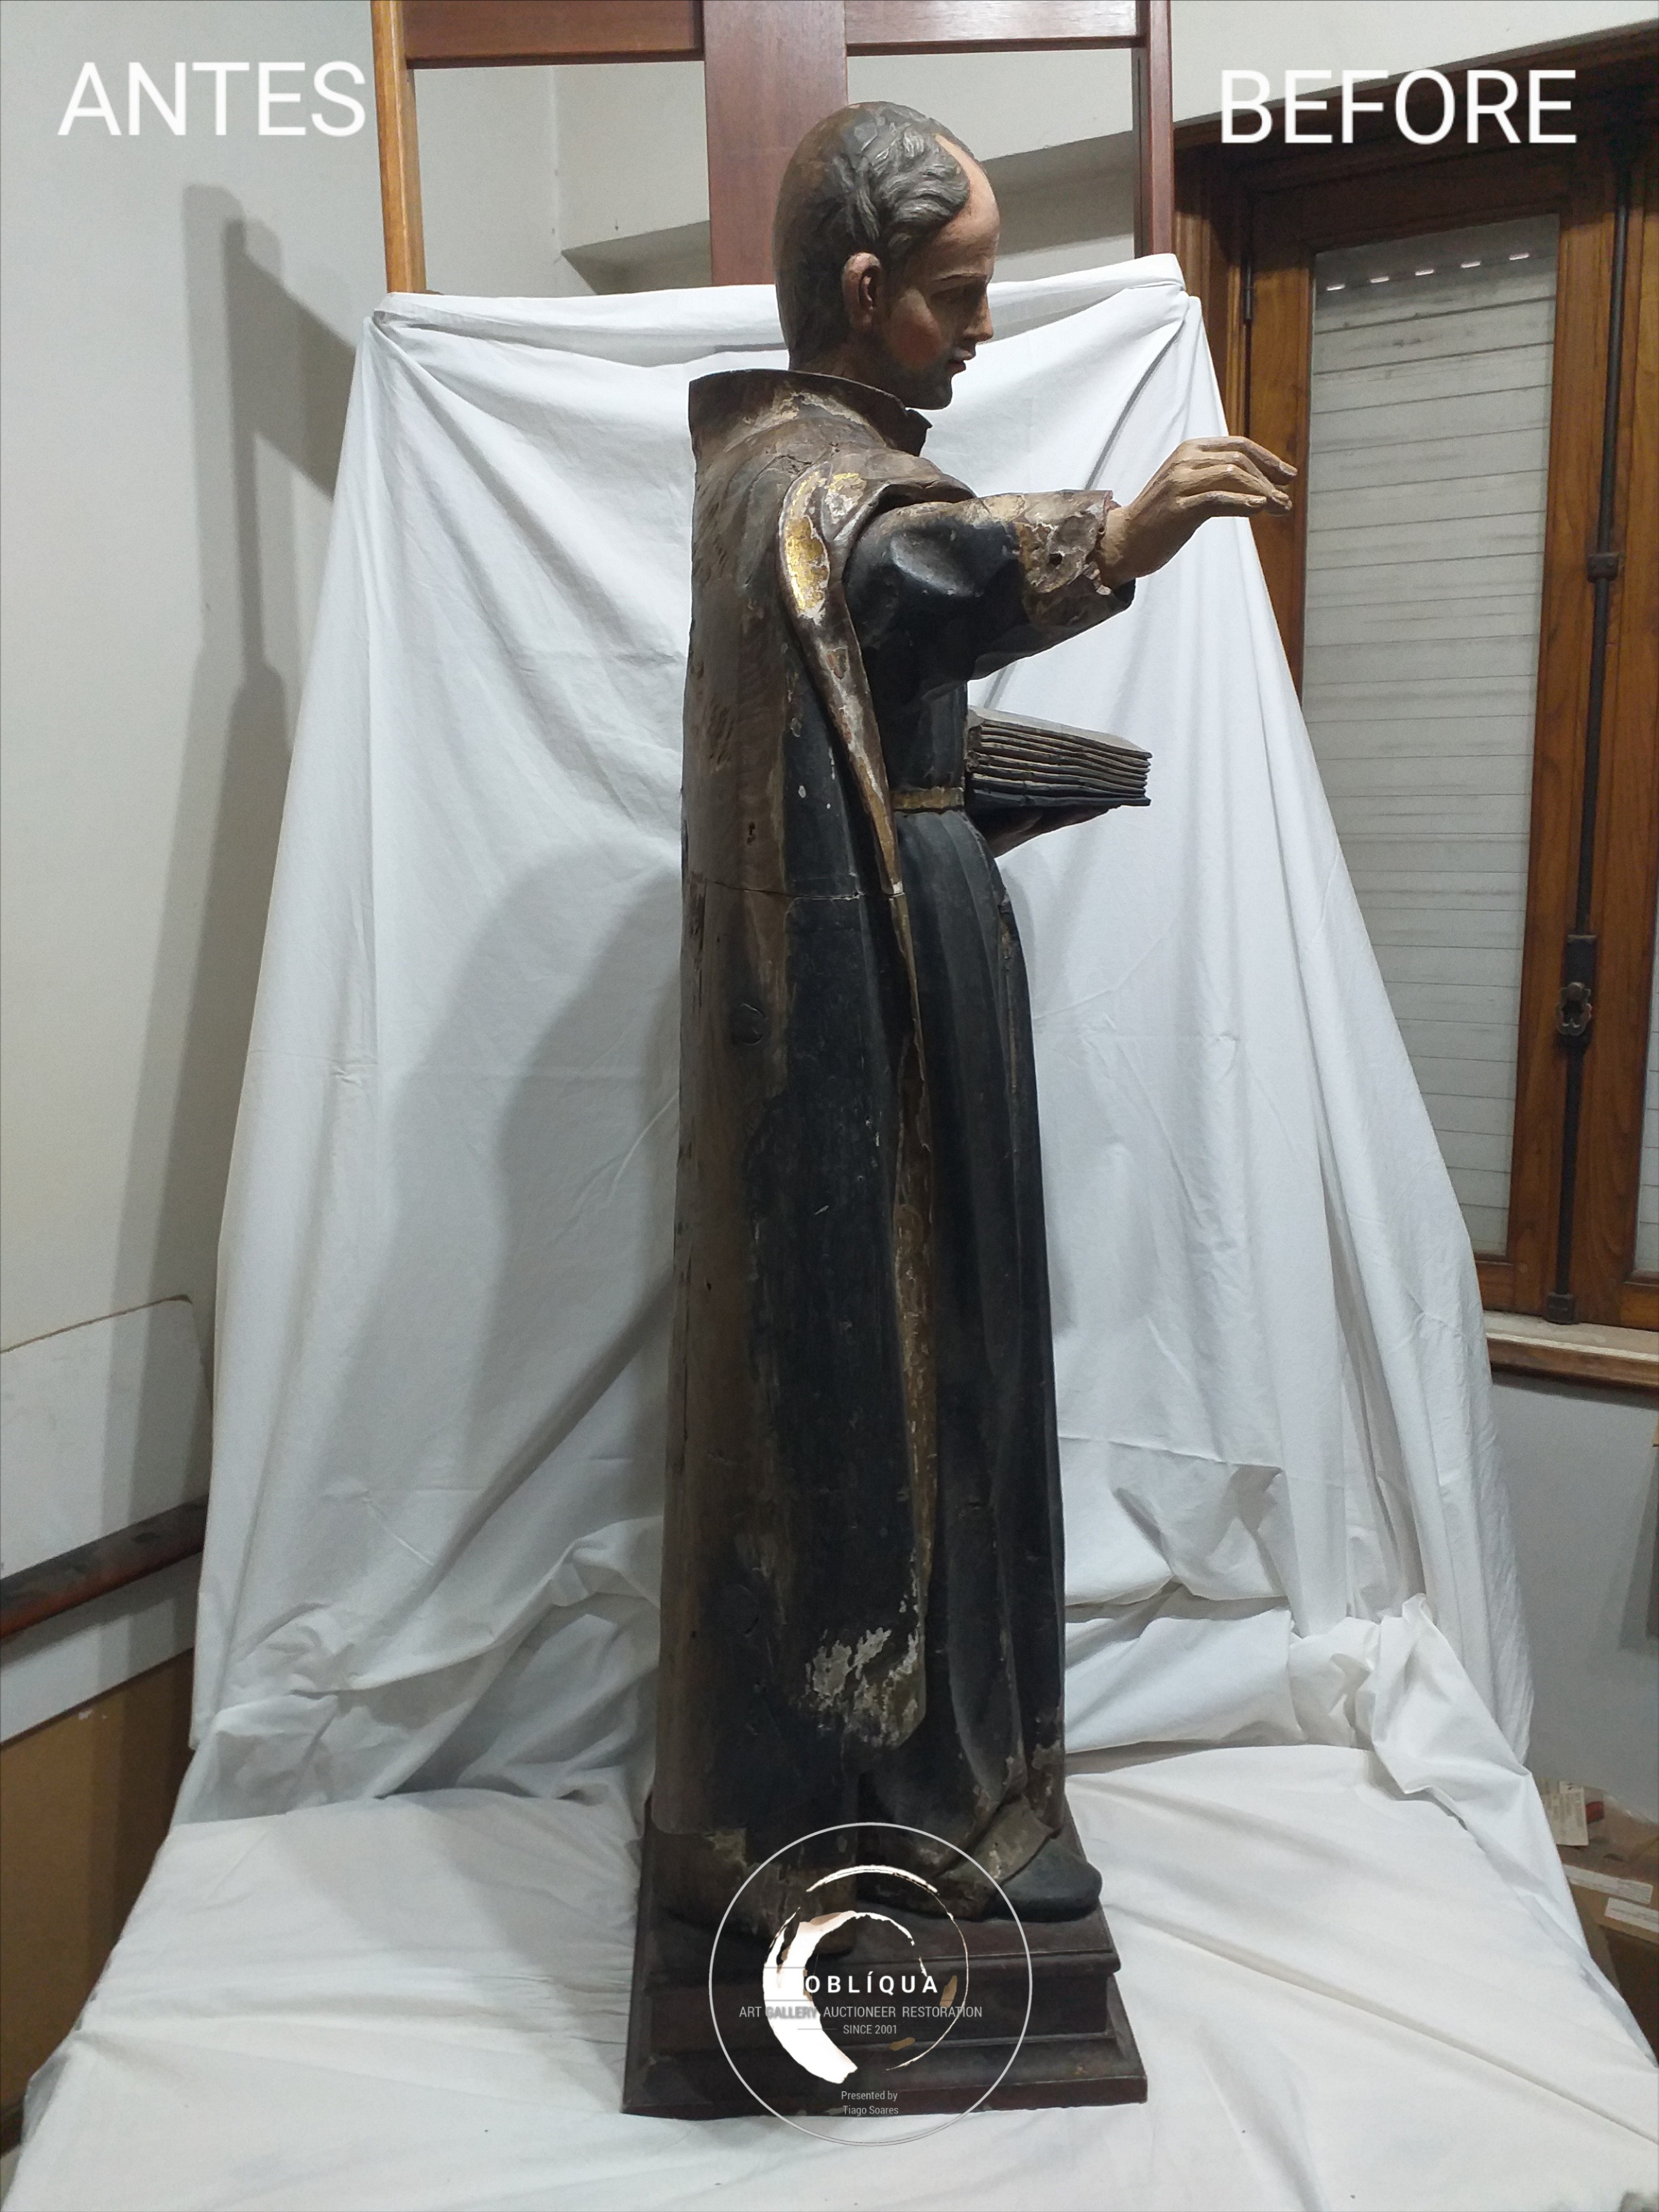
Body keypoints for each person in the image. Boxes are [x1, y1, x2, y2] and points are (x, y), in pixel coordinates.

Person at [651, 102, 1294, 1932]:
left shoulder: (789, 466)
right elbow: (915, 580)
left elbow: (856, 723)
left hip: (898, 962)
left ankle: (945, 1780)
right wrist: (1127, 529)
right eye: (961, 292)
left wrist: (986, 782)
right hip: (882, 1008)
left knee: (957, 1354)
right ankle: (928, 1795)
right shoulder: (812, 486)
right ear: (867, 290)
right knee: (933, 1371)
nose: (987, 328)